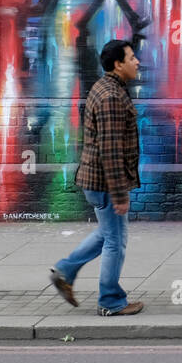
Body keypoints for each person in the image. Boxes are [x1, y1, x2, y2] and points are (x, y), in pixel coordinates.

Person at [49, 39, 145, 316]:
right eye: (131, 57)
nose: (137, 61)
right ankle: (111, 301)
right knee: (116, 240)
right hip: (105, 183)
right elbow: (111, 151)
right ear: (118, 64)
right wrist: (119, 194)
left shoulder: (105, 88)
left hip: (97, 180)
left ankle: (65, 271)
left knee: (106, 234)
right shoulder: (112, 98)